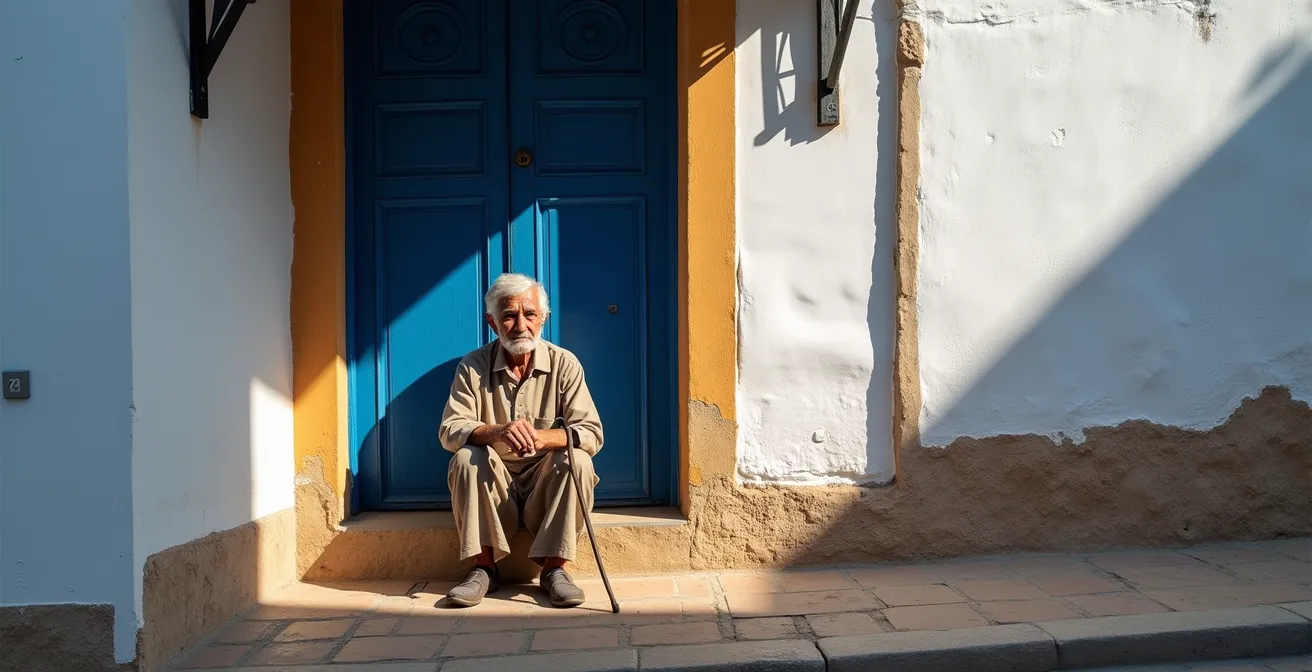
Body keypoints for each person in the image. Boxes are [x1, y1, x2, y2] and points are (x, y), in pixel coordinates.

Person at [438, 273, 604, 608]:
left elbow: (591, 432)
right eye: (508, 316)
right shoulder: (472, 367)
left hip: (544, 489)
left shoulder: (565, 364)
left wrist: (544, 439)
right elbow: (450, 428)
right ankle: (483, 568)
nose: (520, 325)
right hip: (496, 489)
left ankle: (555, 570)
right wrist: (496, 431)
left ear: (544, 318)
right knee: (465, 459)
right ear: (491, 321)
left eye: (529, 314)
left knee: (579, 460)